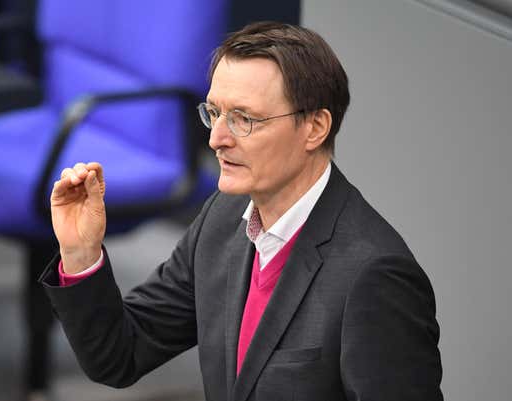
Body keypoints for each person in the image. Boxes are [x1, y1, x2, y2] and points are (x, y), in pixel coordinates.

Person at [39, 21, 443, 401]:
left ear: (315, 127)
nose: (216, 139)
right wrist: (80, 252)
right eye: (214, 113)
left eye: (244, 119)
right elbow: (120, 354)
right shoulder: (223, 217)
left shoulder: (374, 275)